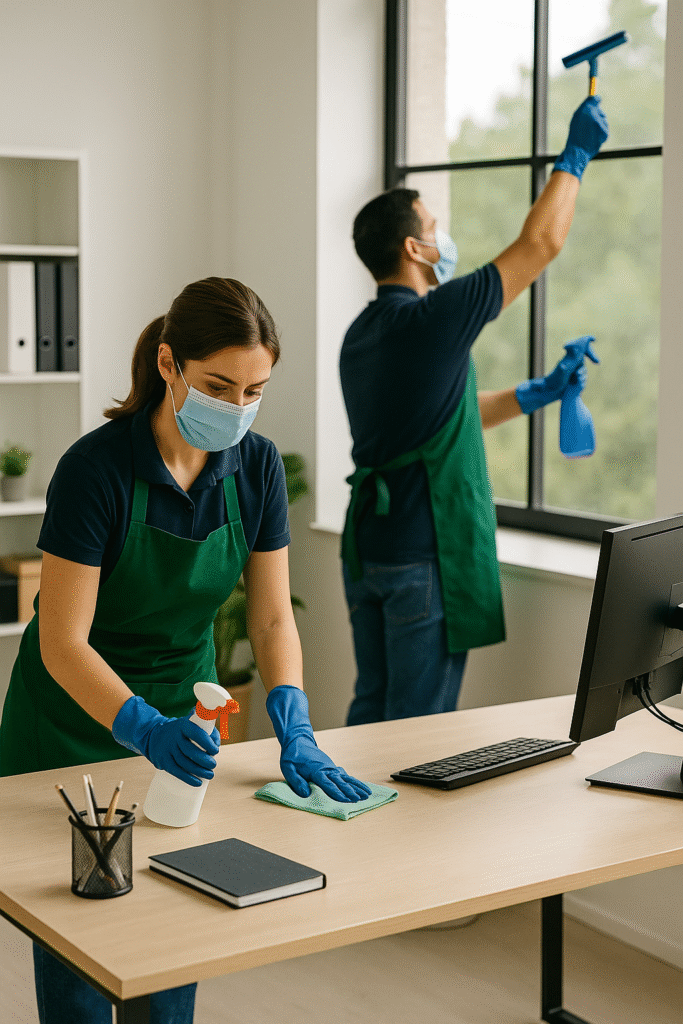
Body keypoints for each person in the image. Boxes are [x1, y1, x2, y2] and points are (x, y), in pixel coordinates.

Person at [0, 277, 371, 1024]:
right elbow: (62, 640)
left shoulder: (256, 467)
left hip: (186, 722)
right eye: (218, 385)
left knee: (174, 933)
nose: (236, 408)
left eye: (255, 389)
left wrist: (293, 718)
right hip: (73, 726)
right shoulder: (96, 469)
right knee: (83, 943)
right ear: (168, 365)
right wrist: (140, 727)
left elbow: (270, 621)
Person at [340, 96, 608, 726]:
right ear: (414, 248)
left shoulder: (363, 335)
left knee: (370, 713)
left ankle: (341, 813)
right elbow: (540, 244)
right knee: (416, 730)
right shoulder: (435, 318)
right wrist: (574, 157)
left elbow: (443, 420)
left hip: (369, 552)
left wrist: (536, 393)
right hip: (421, 557)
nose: (443, 237)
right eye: (434, 227)